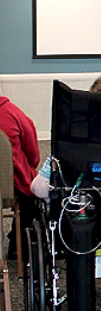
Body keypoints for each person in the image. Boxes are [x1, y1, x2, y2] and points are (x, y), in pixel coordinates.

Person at [0, 89, 40, 258]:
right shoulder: (10, 112)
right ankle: (19, 244)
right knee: (33, 195)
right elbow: (32, 151)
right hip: (12, 185)